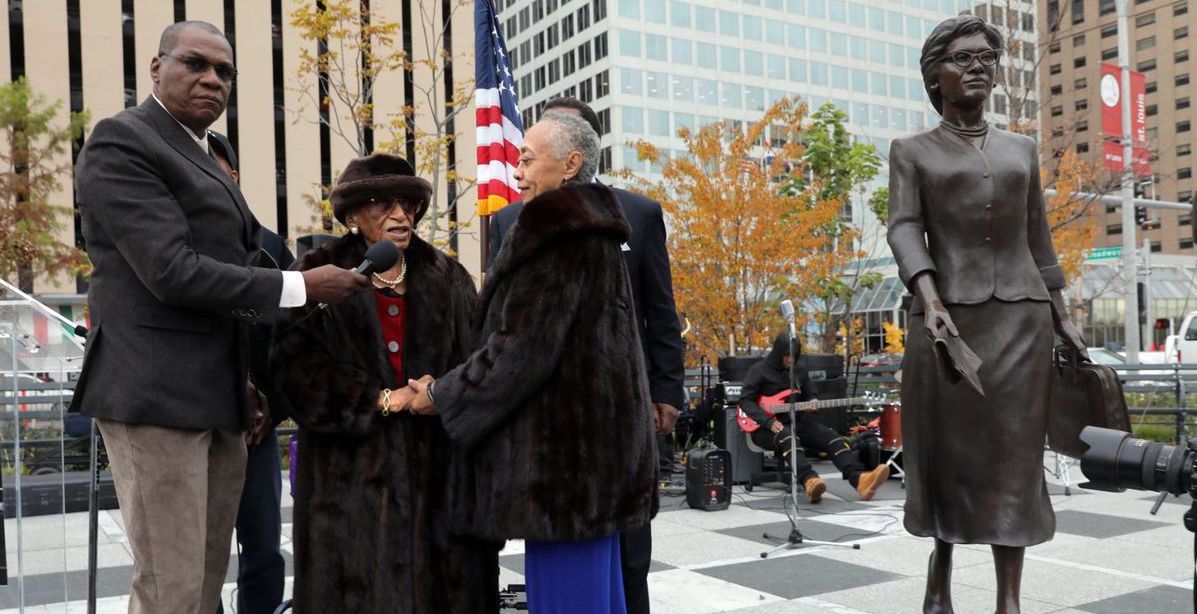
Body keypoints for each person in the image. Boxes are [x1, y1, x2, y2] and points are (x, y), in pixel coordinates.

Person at [70, 21, 366, 613]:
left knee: (203, 584)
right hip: (154, 394)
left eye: (224, 71)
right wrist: (302, 286)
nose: (212, 79)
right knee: (170, 587)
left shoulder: (206, 151)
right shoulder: (122, 142)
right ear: (156, 68)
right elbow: (173, 271)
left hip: (223, 398)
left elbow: (250, 255)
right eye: (195, 64)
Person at [404, 112, 657, 614]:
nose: (515, 170)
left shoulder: (556, 238)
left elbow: (517, 352)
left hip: (562, 469)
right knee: (601, 599)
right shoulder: (595, 234)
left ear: (570, 165)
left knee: (568, 601)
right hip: (595, 464)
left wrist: (439, 395)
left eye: (526, 159)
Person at [887, 16, 1087, 614]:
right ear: (936, 75)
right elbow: (903, 227)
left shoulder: (1020, 149)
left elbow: (1039, 238)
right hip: (947, 324)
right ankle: (941, 572)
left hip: (1021, 322)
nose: (978, 67)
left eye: (985, 59)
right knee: (950, 453)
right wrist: (929, 297)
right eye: (964, 58)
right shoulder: (912, 152)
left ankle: (1009, 601)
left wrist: (1062, 313)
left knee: (1014, 461)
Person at [272, 153, 498, 613]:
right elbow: (291, 368)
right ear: (352, 215)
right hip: (346, 488)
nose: (399, 214)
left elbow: (479, 363)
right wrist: (378, 399)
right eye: (381, 203)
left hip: (439, 487)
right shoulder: (319, 272)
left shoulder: (448, 277)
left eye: (407, 202)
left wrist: (442, 392)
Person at [486, 96, 684, 614]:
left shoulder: (636, 213)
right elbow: (498, 326)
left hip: (627, 406)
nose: (523, 166)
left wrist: (665, 392)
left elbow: (660, 312)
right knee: (564, 555)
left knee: (630, 556)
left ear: (581, 150)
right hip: (548, 424)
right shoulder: (509, 220)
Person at [209, 133, 289, 614]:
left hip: (257, 433)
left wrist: (270, 404)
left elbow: (291, 342)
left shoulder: (270, 248)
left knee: (262, 548)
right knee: (201, 553)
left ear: (233, 178)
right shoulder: (176, 244)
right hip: (198, 423)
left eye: (211, 168)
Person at [739, 332, 891, 503]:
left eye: (793, 356)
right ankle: (810, 481)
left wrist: (812, 401)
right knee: (788, 437)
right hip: (765, 428)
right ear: (778, 353)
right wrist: (768, 421)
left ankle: (861, 480)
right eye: (787, 356)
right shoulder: (759, 370)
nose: (790, 360)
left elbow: (810, 391)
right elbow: (745, 401)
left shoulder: (799, 369)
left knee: (832, 438)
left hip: (798, 421)